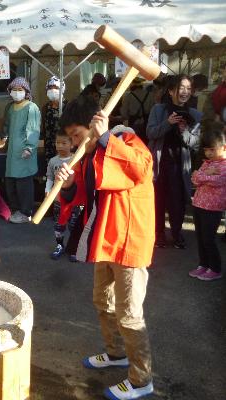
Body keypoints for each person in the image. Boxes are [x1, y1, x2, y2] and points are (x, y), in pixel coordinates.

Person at [57, 95, 155, 400]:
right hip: (105, 239)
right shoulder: (91, 154)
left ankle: (142, 380)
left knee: (129, 314)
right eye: (70, 137)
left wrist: (104, 139)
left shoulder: (125, 140)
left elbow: (142, 169)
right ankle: (116, 353)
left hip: (129, 240)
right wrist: (69, 184)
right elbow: (84, 196)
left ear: (93, 124)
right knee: (103, 301)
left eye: (76, 135)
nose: (73, 142)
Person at [147, 74, 202, 249]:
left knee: (178, 203)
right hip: (160, 163)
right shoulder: (159, 110)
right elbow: (150, 133)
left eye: (188, 88)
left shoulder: (194, 114)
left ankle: (177, 234)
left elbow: (195, 144)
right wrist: (167, 123)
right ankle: (159, 234)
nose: (185, 92)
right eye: (181, 88)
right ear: (171, 91)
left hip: (180, 166)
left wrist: (184, 131)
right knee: (158, 201)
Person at [188, 127, 225, 281]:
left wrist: (202, 176)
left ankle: (215, 268)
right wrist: (205, 175)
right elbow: (194, 178)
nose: (208, 153)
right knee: (201, 237)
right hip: (198, 205)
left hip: (213, 208)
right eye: (206, 150)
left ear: (223, 147)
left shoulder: (223, 165)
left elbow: (219, 181)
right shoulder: (207, 163)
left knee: (209, 239)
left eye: (212, 149)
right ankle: (203, 264)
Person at [3, 77, 41, 224]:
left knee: (23, 182)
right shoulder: (10, 107)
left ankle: (25, 211)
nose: (17, 93)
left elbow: (33, 129)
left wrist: (29, 147)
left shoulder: (31, 107)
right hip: (12, 150)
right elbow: (7, 126)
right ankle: (15, 209)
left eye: (20, 90)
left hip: (24, 150)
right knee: (11, 181)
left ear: (26, 92)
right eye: (14, 90)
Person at [45, 131, 82, 260]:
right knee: (58, 224)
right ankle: (60, 245)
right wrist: (47, 190)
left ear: (71, 145)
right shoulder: (53, 161)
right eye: (57, 143)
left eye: (64, 143)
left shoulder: (76, 159)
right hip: (58, 199)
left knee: (74, 224)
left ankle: (74, 248)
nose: (60, 146)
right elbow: (49, 177)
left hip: (74, 200)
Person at [120, 77, 155, 144]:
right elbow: (153, 110)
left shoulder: (128, 96)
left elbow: (124, 114)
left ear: (132, 85)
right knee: (145, 143)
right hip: (147, 124)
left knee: (134, 143)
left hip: (134, 124)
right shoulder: (150, 95)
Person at [42, 76, 66, 161]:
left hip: (64, 146)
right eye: (50, 88)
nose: (52, 90)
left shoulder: (68, 106)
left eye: (55, 87)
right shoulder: (45, 107)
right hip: (49, 147)